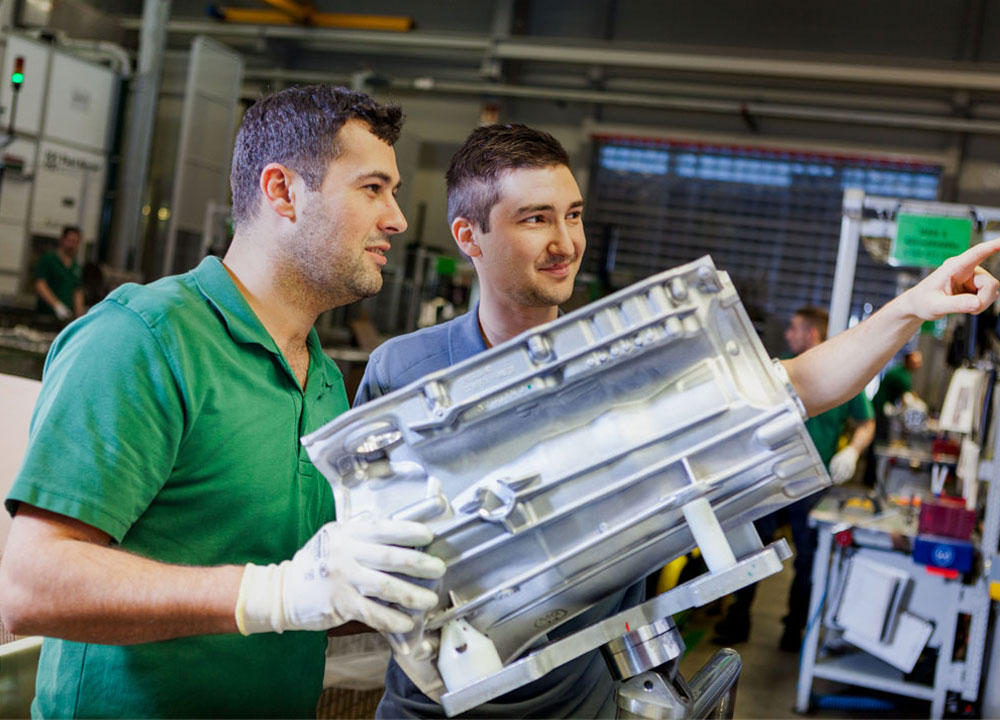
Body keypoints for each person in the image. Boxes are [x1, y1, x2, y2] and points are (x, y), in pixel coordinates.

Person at [356, 122, 1000, 718]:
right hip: (429, 709)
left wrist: (911, 306)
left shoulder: (630, 365)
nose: (565, 243)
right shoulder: (404, 373)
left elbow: (798, 383)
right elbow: (359, 553)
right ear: (469, 236)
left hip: (582, 706)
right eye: (535, 219)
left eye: (573, 215)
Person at [0, 85, 447, 718]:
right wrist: (279, 592)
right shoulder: (146, 339)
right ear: (282, 190)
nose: (397, 218)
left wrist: (411, 589)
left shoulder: (320, 377)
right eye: (373, 188)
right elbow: (31, 584)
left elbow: (301, 594)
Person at [713, 306, 875, 651]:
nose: (788, 335)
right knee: (752, 550)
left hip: (813, 482)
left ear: (812, 334)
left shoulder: (842, 371)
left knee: (808, 558)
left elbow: (867, 422)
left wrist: (853, 452)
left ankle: (794, 629)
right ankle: (737, 619)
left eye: (795, 329)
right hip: (770, 475)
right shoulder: (779, 368)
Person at [34, 225, 86, 321]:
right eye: (70, 240)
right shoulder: (49, 259)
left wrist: (80, 317)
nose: (72, 245)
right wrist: (57, 306)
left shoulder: (76, 266)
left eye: (76, 242)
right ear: (62, 239)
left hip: (66, 319)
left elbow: (77, 291)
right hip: (46, 316)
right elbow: (40, 285)